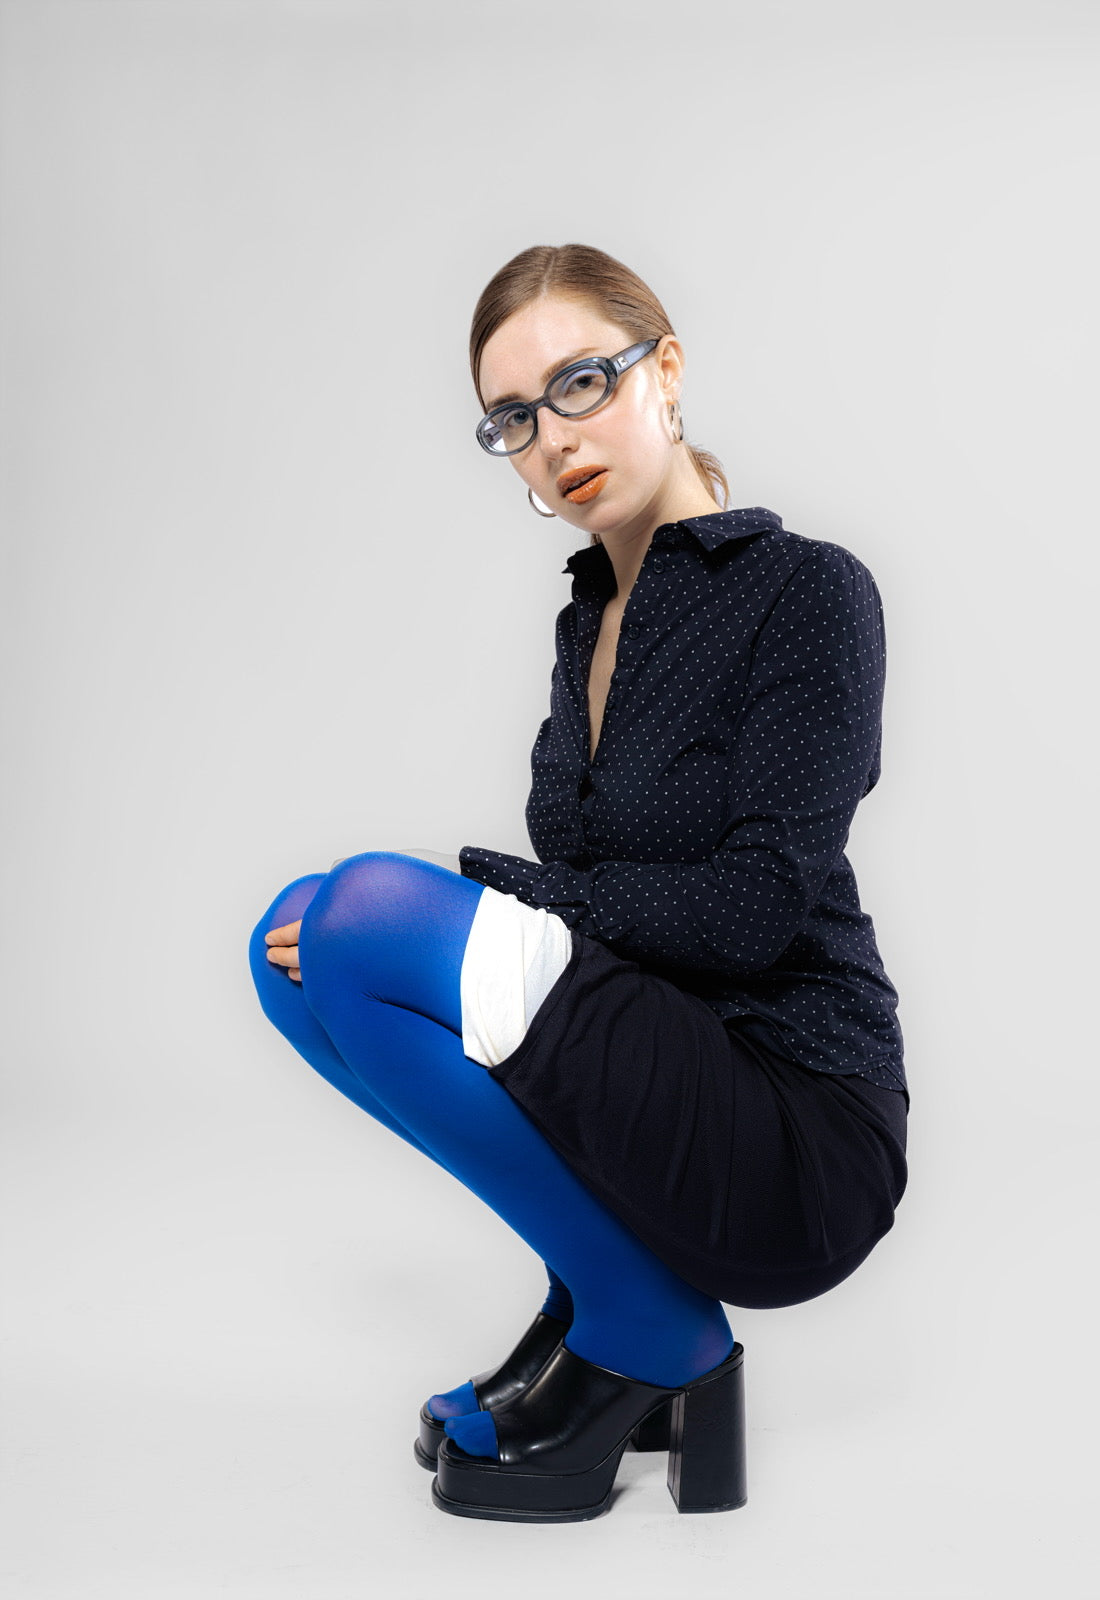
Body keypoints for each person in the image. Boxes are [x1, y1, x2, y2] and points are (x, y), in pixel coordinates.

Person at [248, 241, 909, 1524]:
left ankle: (649, 1332)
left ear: (665, 371)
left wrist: (481, 894)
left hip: (795, 1120)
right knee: (296, 938)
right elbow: (606, 930)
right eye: (513, 417)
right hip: (666, 1074)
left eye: (582, 383)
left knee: (368, 912)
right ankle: (611, 1296)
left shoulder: (809, 591)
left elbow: (753, 906)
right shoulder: (586, 624)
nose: (553, 438)